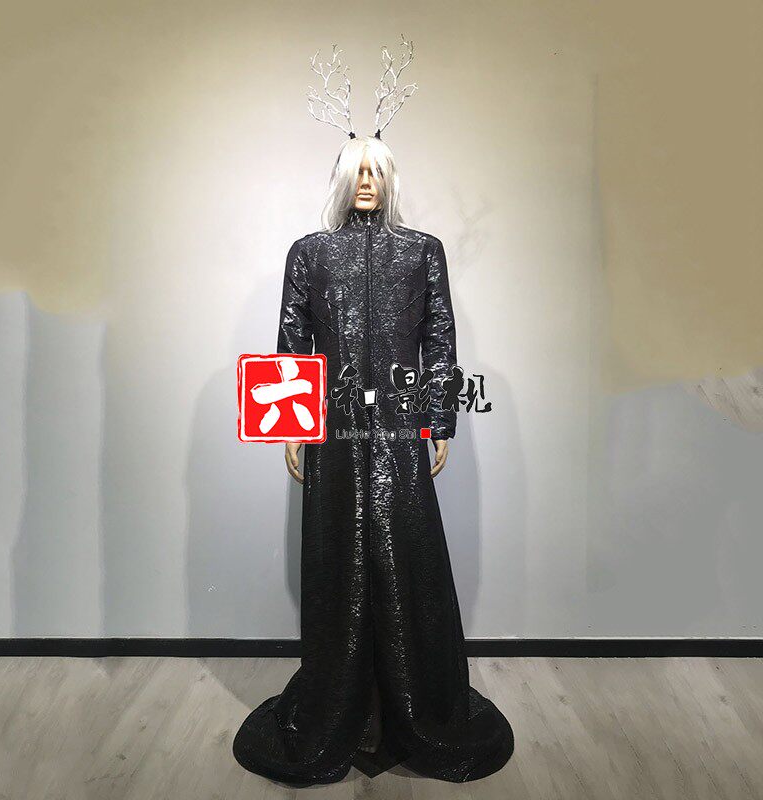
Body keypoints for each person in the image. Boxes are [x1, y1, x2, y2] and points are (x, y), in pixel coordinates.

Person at [232, 40, 514, 787]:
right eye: (355, 171)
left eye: (376, 171)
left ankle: (410, 706)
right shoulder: (309, 253)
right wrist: (291, 427)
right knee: (336, 561)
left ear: (389, 179)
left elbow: (440, 340)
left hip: (394, 433)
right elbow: (292, 341)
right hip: (333, 434)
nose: (366, 182)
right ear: (340, 179)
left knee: (403, 561)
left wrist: (438, 422)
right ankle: (343, 706)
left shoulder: (423, 252)